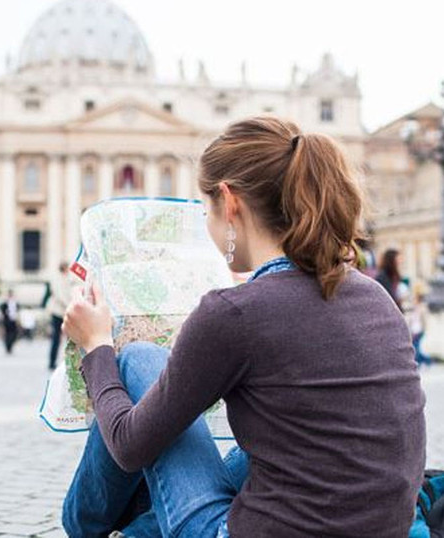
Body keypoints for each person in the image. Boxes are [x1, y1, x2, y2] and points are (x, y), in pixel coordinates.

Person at [61, 117, 426, 538]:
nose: (207, 223)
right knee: (275, 439)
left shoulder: (234, 313)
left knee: (138, 359)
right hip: (384, 528)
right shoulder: (375, 296)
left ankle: (84, 526)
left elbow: (128, 446)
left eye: (206, 209)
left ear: (230, 203)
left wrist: (97, 346)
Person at [47, 262, 73, 370]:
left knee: (69, 339)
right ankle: (52, 362)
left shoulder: (68, 279)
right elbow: (59, 295)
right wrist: (69, 304)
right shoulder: (57, 280)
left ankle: (69, 361)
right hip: (59, 312)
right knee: (56, 338)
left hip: (65, 311)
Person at [407, 286, 434, 367]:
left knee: (416, 348)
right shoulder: (414, 308)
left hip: (419, 330)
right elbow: (412, 320)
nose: (414, 300)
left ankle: (421, 362)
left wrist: (423, 329)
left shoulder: (422, 307)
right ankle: (426, 361)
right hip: (414, 330)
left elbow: (424, 320)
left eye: (415, 299)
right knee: (416, 348)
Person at [0, 289, 19, 354]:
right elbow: (2, 312)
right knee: (7, 335)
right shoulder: (5, 304)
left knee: (14, 335)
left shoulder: (15, 303)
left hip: (13, 321)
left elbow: (17, 312)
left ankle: (10, 346)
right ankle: (8, 348)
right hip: (7, 321)